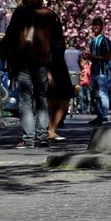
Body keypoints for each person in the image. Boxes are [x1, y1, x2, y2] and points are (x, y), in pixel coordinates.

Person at [0, 4, 58, 147]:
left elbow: (9, 36)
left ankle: (29, 139)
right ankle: (42, 136)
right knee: (41, 99)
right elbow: (56, 42)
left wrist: (7, 58)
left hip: (23, 61)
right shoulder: (47, 15)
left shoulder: (20, 13)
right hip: (41, 62)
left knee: (26, 101)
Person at [46, 14, 76, 142]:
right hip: (52, 71)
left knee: (64, 103)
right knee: (51, 102)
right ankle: (48, 129)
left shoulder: (59, 39)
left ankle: (52, 128)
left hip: (62, 71)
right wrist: (48, 74)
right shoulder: (46, 39)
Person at [84, 18, 111, 125]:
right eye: (94, 25)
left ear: (102, 26)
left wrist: (93, 57)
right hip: (94, 71)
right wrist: (88, 57)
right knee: (96, 94)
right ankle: (99, 115)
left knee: (102, 94)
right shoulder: (92, 41)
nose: (96, 27)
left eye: (98, 25)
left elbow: (109, 56)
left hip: (102, 72)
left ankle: (104, 116)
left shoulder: (105, 41)